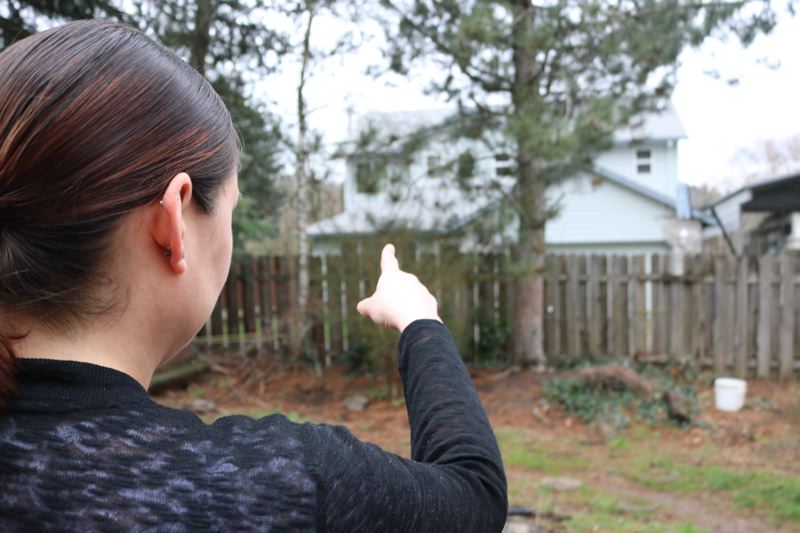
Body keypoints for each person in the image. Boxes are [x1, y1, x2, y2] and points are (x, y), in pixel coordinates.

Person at [0, 20, 507, 532]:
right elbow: (474, 497)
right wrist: (421, 323)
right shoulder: (282, 484)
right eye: (230, 213)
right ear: (172, 223)